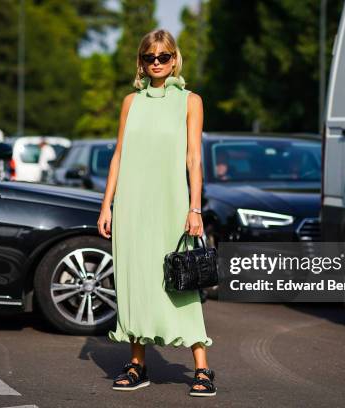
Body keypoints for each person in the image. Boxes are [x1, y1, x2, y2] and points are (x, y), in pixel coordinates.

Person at [97, 29, 216, 397]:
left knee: (181, 282)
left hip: (171, 205)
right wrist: (107, 205)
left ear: (175, 59)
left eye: (164, 56)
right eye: (150, 57)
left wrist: (195, 207)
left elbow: (193, 158)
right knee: (136, 283)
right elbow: (119, 155)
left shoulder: (190, 101)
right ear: (141, 62)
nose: (157, 63)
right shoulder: (131, 103)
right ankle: (138, 364)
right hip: (132, 206)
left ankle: (202, 368)